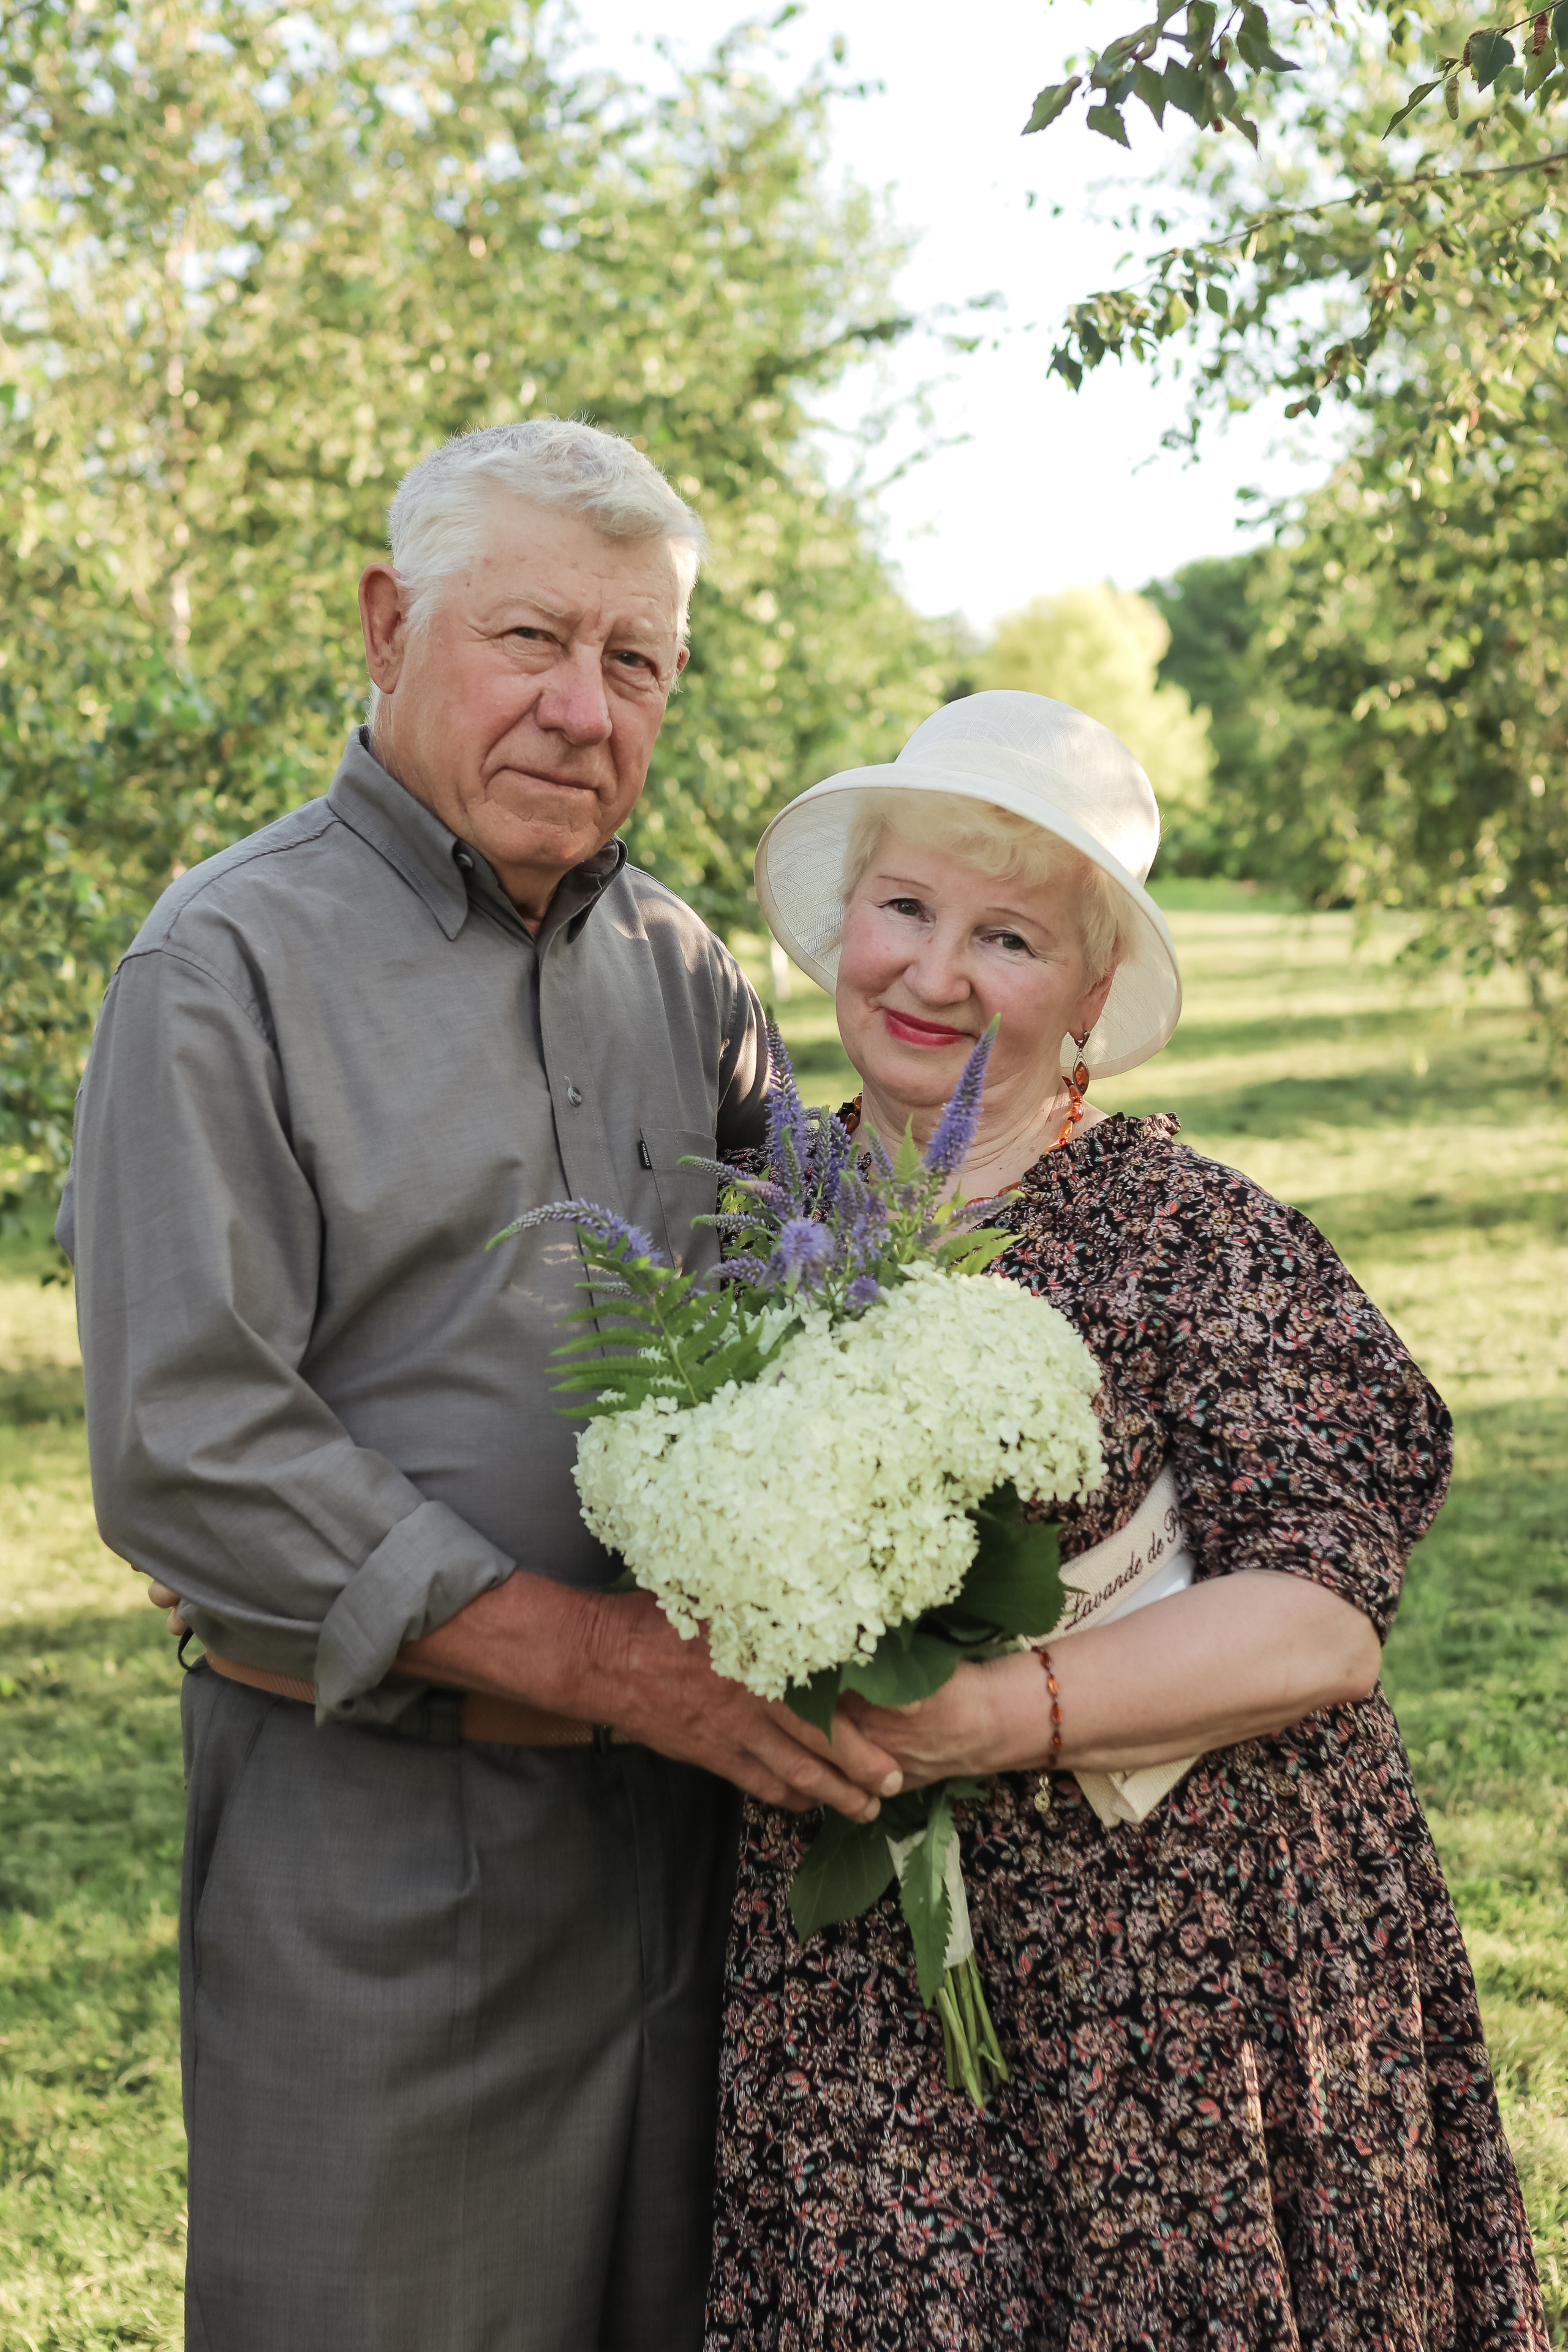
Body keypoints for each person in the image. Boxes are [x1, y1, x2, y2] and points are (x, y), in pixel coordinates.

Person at [59, 418, 902, 2352]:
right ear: (387, 625)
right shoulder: (223, 969)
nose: (583, 709)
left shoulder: (689, 976)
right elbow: (189, 1446)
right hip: (378, 1871)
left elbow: (823, 1333)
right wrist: (612, 1666)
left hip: (703, 1879)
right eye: (530, 638)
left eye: (637, 663)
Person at [706, 691, 1548, 2350]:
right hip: (867, 1981)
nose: (936, 973)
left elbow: (1322, 1614)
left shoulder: (1195, 1237)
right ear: (839, 927)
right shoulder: (749, 1232)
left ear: (1092, 995)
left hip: (1188, 1993)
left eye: (1008, 936)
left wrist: (984, 1718)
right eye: (908, 909)